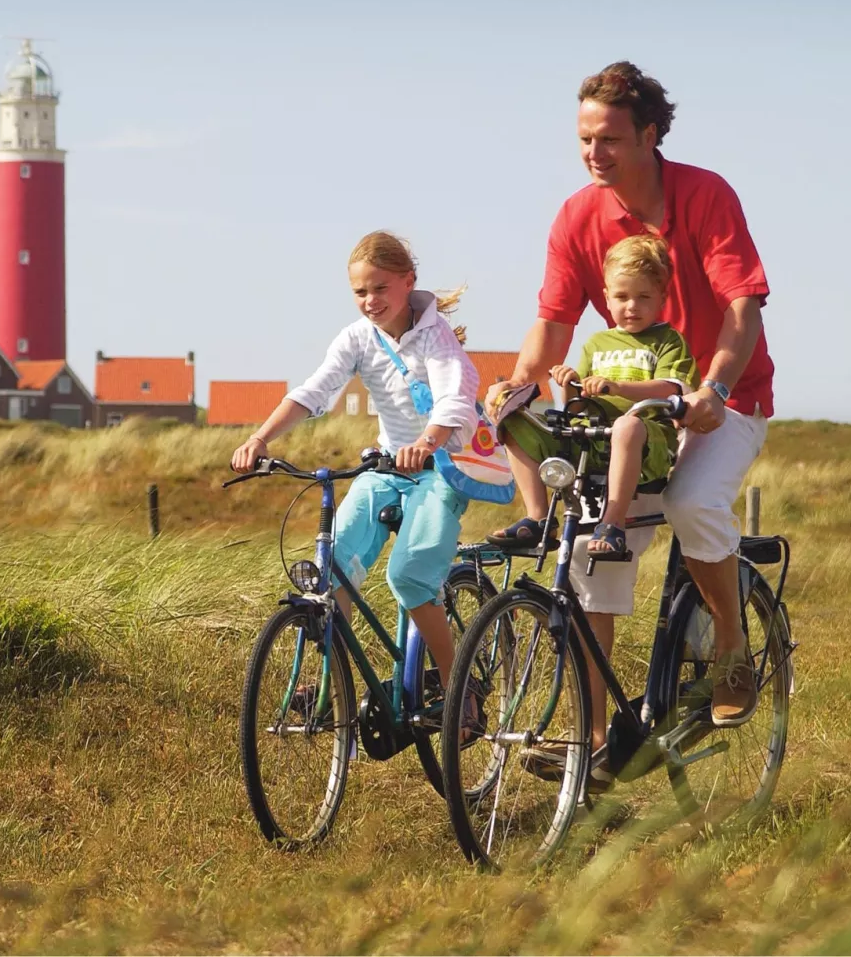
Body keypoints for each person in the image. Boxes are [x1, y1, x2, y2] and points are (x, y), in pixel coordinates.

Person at [484, 61, 775, 741]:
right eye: (585, 139)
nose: (594, 153)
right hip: (625, 415)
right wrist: (516, 384)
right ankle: (591, 743)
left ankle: (731, 648)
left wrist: (716, 388)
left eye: (609, 139)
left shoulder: (705, 196)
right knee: (591, 555)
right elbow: (552, 324)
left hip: (723, 400)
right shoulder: (577, 217)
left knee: (691, 503)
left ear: (649, 136)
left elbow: (743, 306)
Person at [231, 230, 481, 684]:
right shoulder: (357, 338)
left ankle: (454, 685)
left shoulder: (435, 338)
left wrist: (426, 444)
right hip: (386, 466)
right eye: (360, 292)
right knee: (332, 569)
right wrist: (261, 438)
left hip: (439, 469)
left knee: (407, 577)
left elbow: (455, 399)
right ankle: (334, 685)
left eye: (380, 288)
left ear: (409, 281)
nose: (370, 300)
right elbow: (315, 390)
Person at [490, 234, 698, 559]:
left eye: (644, 296)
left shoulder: (669, 341)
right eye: (622, 296)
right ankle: (538, 518)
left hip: (647, 445)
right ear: (607, 297)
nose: (632, 306)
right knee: (513, 418)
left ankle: (612, 524)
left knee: (628, 426)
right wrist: (569, 383)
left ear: (662, 297)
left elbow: (670, 389)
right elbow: (577, 405)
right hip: (594, 439)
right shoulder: (596, 343)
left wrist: (616, 388)